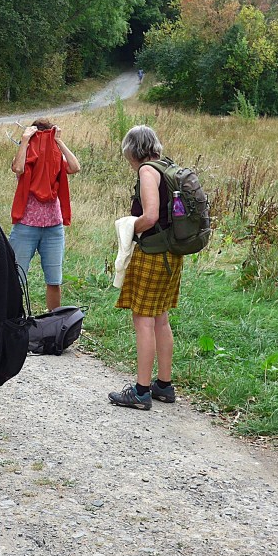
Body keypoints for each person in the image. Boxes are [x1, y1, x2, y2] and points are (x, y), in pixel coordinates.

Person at [109, 125, 181, 410]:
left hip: (152, 253)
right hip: (171, 254)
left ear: (132, 150)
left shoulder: (147, 171)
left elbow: (150, 216)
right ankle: (163, 385)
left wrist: (129, 228)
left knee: (143, 320)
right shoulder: (167, 167)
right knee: (161, 318)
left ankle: (141, 391)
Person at [8, 119, 81, 311]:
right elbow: (18, 168)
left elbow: (75, 167)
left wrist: (59, 141)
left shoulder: (55, 157)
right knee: (15, 277)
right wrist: (25, 141)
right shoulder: (25, 156)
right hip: (26, 226)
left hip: (53, 228)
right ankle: (15, 320)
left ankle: (54, 322)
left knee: (54, 280)